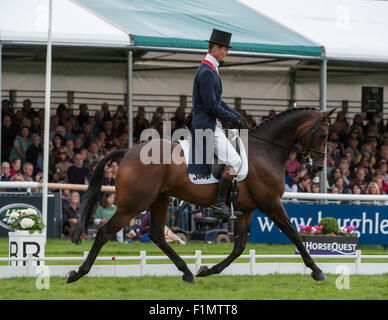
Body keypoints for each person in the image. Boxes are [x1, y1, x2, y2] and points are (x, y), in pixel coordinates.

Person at [189, 28, 249, 219]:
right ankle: (219, 204)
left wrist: (237, 116)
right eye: (224, 49)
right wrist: (232, 119)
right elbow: (212, 105)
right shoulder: (207, 72)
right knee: (235, 161)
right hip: (206, 126)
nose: (227, 52)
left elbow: (219, 102)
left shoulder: (211, 69)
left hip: (212, 124)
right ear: (215, 48)